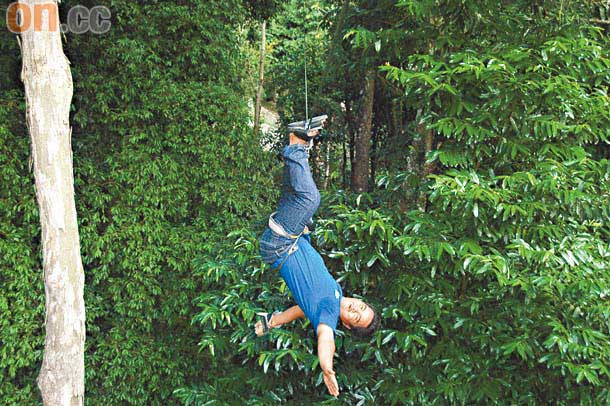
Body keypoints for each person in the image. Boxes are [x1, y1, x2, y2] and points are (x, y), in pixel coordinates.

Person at [255, 122, 381, 397]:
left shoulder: (327, 313)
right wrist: (273, 321)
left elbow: (325, 339)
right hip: (294, 238)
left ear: (346, 324)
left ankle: (298, 145)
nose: (355, 309)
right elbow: (300, 308)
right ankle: (296, 140)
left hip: (281, 244)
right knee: (295, 196)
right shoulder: (331, 296)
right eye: (361, 307)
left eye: (355, 317)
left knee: (310, 199)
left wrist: (327, 367)